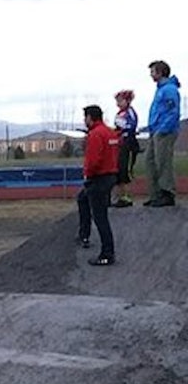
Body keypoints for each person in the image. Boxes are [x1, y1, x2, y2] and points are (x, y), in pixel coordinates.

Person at [77, 104, 120, 265]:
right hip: (110, 175)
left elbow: (93, 159)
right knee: (82, 198)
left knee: (100, 216)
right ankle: (84, 234)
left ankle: (107, 253)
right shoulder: (110, 132)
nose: (84, 120)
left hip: (98, 177)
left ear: (90, 117)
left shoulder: (95, 134)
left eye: (85, 117)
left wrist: (88, 173)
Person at [143, 59, 180, 207]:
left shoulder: (169, 89)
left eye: (153, 71)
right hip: (155, 130)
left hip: (165, 131)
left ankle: (167, 193)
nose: (151, 75)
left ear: (160, 72)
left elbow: (173, 111)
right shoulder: (160, 89)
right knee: (149, 160)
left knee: (163, 161)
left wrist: (163, 129)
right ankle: (155, 194)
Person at [111, 89, 139, 207]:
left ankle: (127, 196)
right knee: (118, 170)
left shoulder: (130, 112)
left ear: (127, 101)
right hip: (120, 143)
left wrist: (123, 126)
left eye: (120, 101)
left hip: (129, 143)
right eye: (117, 101)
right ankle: (120, 196)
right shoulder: (119, 113)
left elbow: (132, 125)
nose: (118, 103)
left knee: (125, 170)